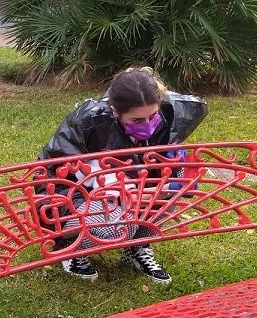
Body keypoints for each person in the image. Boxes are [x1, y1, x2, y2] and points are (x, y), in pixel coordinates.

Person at [39, 67, 208, 284]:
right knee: (119, 226)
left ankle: (136, 248)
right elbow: (58, 173)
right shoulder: (90, 122)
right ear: (115, 112)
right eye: (137, 121)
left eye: (152, 116)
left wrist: (169, 185)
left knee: (168, 198)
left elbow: (169, 168)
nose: (148, 126)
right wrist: (123, 193)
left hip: (130, 188)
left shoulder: (171, 113)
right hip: (76, 193)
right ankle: (70, 247)